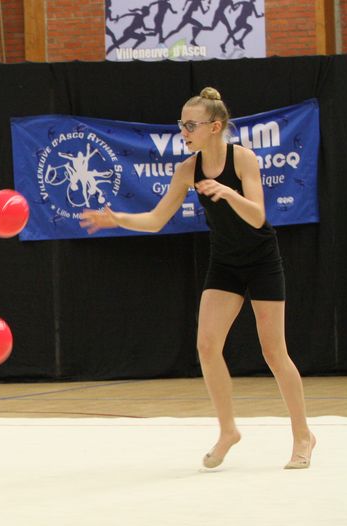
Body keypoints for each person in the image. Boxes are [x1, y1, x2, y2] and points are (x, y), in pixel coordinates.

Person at [80, 88, 315, 470]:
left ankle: (303, 434)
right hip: (225, 263)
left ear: (215, 126)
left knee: (274, 352)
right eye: (182, 125)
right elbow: (156, 220)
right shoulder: (187, 170)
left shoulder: (243, 159)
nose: (184, 132)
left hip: (261, 260)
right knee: (207, 345)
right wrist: (117, 218)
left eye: (191, 125)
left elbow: (257, 216)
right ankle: (228, 430)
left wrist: (227, 192)